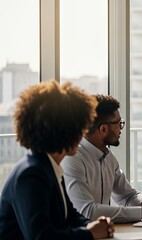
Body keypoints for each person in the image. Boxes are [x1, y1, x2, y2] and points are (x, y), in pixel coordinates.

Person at [0, 80, 114, 239]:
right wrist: (89, 233)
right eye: (79, 129)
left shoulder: (48, 167)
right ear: (64, 131)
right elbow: (42, 237)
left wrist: (91, 224)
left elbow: (71, 216)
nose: (82, 135)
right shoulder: (31, 175)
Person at [61, 94, 142, 223]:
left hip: (104, 232)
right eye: (119, 124)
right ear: (104, 129)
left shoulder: (108, 157)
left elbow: (127, 196)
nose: (121, 129)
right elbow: (86, 211)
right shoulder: (72, 158)